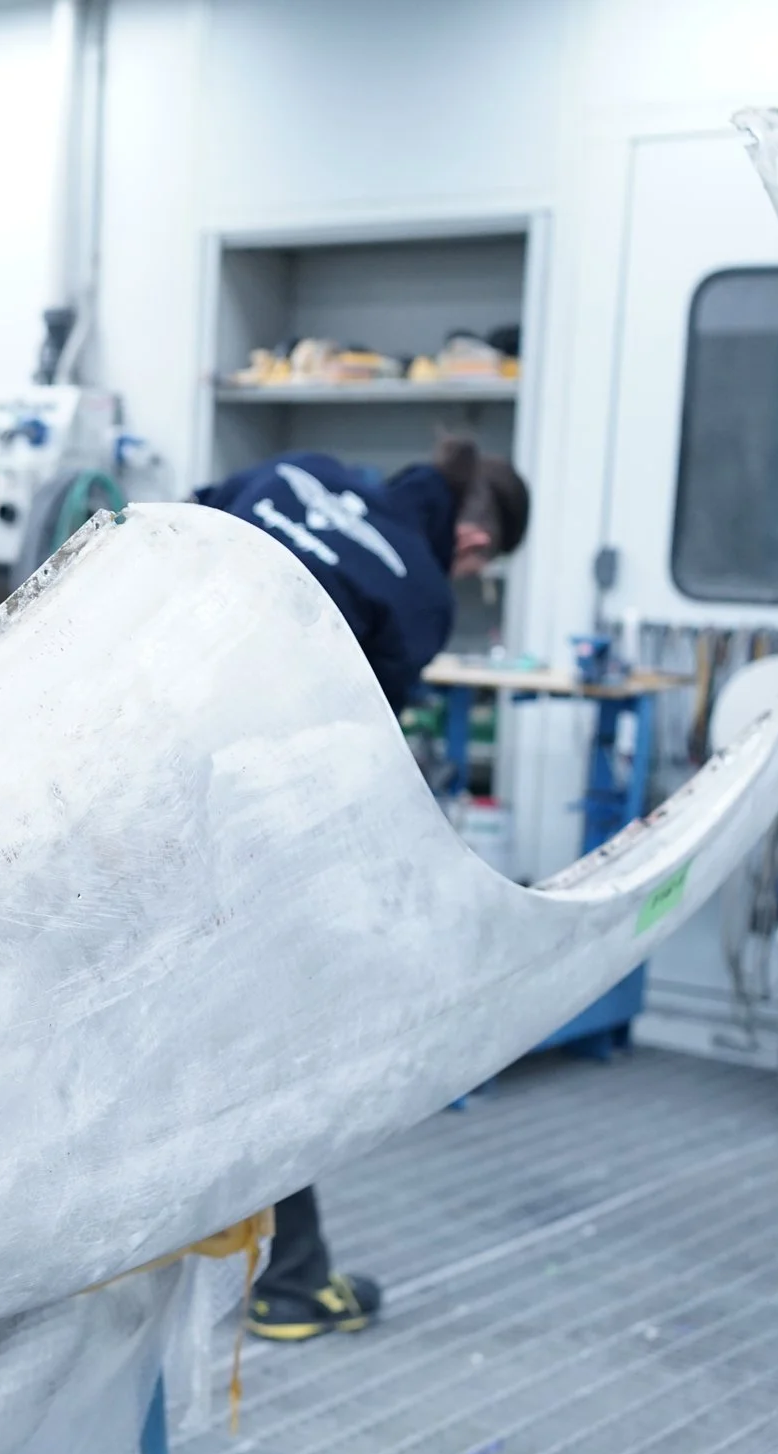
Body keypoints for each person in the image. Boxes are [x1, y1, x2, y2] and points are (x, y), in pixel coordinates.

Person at [191, 435, 530, 1341]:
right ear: (471, 541)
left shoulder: (298, 467)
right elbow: (349, 749)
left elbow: (180, 529)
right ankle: (293, 1284)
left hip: (107, 726)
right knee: (268, 1033)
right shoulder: (417, 595)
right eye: (484, 562)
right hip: (227, 800)